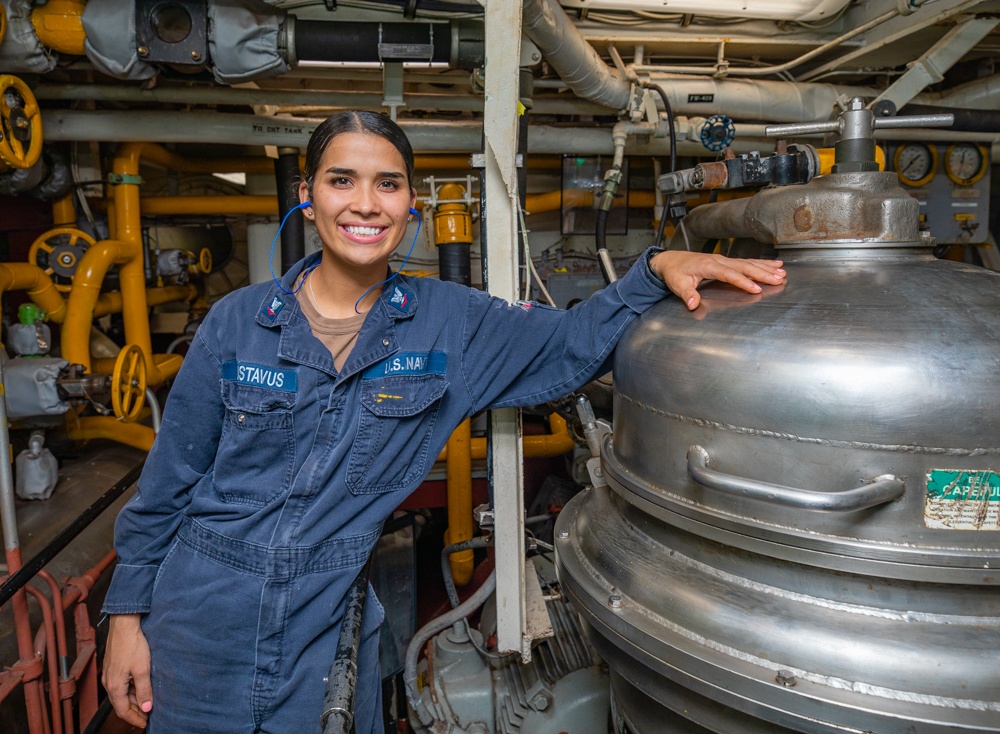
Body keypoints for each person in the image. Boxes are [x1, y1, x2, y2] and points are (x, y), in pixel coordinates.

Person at [101, 110, 786, 734]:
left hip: (324, 631)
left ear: (411, 206)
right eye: (343, 180)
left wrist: (654, 268)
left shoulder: (448, 323)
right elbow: (168, 483)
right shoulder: (237, 321)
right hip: (201, 620)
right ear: (307, 198)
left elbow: (570, 345)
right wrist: (127, 621)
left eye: (388, 184)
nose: (366, 203)